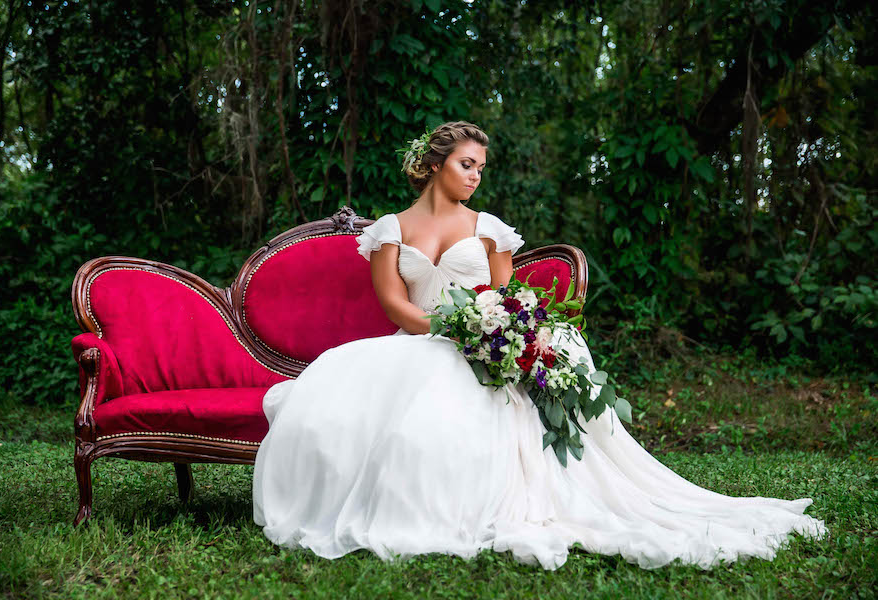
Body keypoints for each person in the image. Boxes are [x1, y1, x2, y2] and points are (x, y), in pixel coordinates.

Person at [252, 121, 827, 570]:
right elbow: (395, 305)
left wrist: (487, 328)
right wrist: (450, 328)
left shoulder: (489, 228)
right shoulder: (389, 230)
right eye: (466, 164)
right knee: (356, 399)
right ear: (433, 165)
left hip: (482, 339)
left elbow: (505, 296)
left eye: (481, 166)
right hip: (421, 338)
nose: (476, 175)